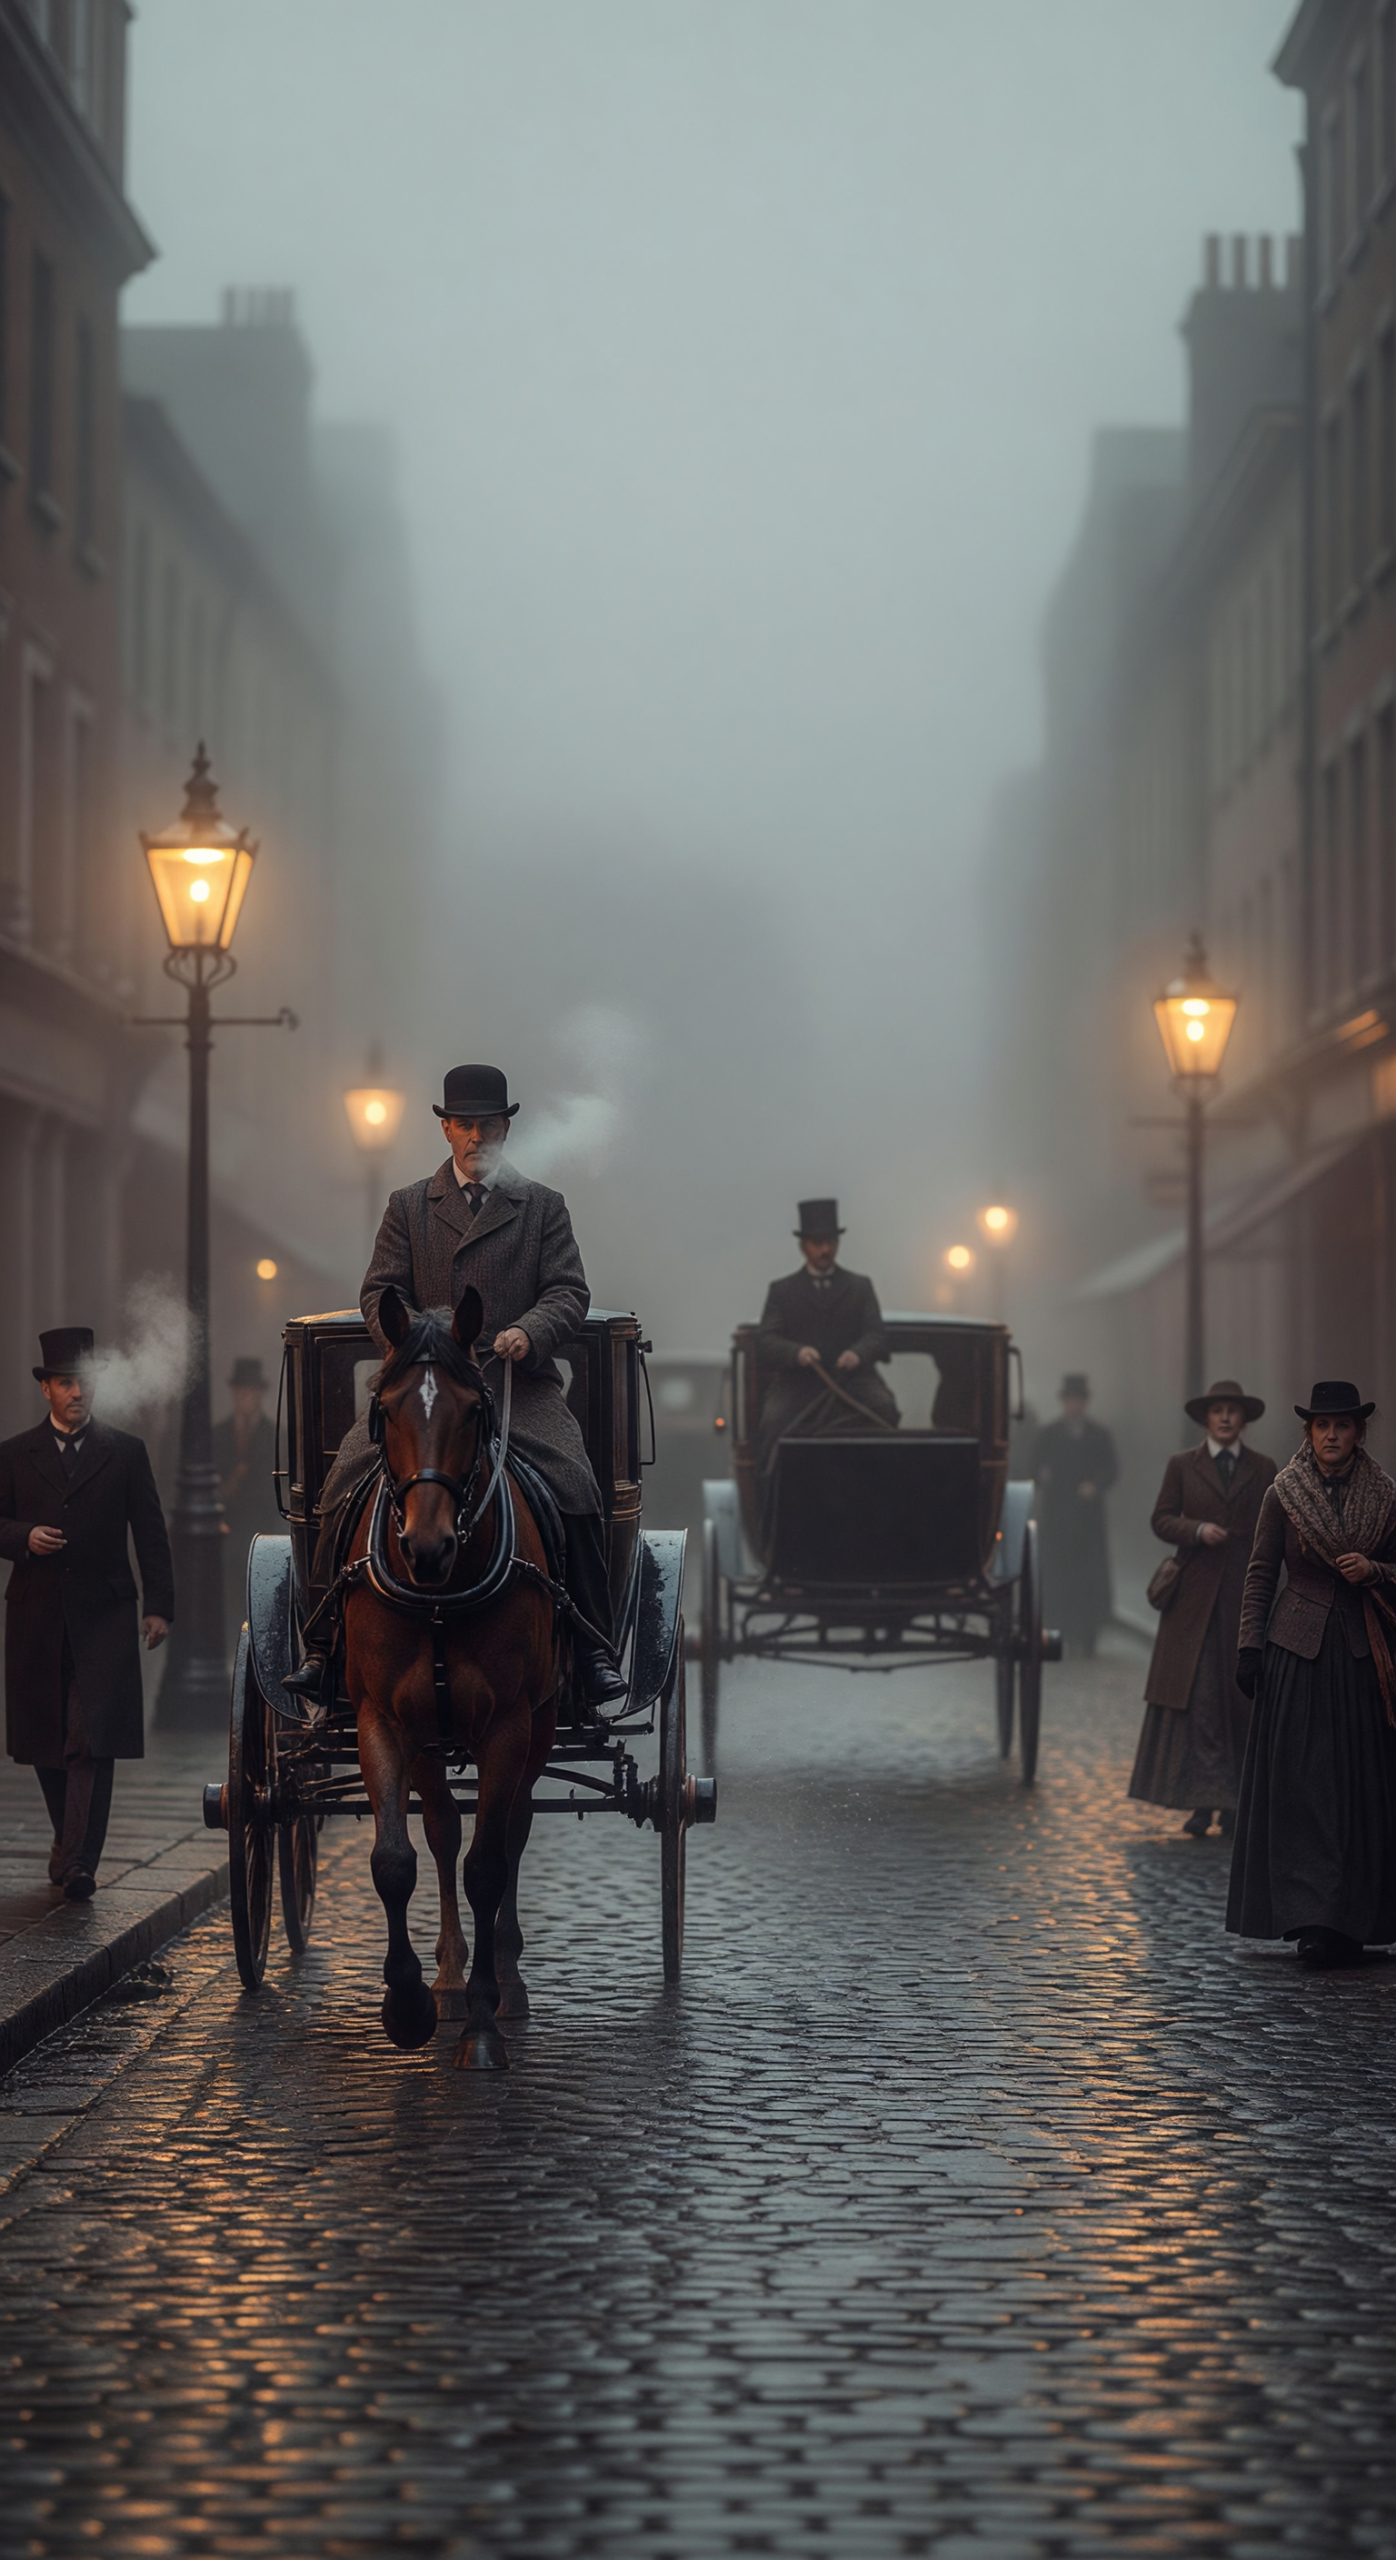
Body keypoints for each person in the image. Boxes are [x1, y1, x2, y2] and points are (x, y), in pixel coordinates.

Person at [286, 1063, 624, 1711]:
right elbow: (380, 1291)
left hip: (514, 1388)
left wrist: (529, 1331)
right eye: (464, 1124)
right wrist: (423, 1344)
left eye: (489, 1125)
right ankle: (324, 1644)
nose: (477, 1136)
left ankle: (592, 1646)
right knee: (338, 1487)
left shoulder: (543, 1207)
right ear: (445, 1129)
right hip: (424, 1391)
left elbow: (568, 1291)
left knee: (578, 1485)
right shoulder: (408, 1206)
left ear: (505, 1129)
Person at [0, 1327, 174, 1900]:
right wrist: (25, 1536)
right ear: (46, 1389)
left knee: (88, 1740)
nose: (78, 1393)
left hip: (105, 1617)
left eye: (86, 1383)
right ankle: (66, 1843)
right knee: (46, 1743)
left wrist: (160, 1608)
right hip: (37, 1619)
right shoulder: (13, 1454)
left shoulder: (124, 1451)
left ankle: (77, 1861)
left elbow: (150, 1531)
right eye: (66, 1383)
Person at [1228, 1379, 1396, 1969]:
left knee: (1357, 1791)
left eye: (1342, 1426)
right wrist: (1250, 1649)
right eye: (1322, 1426)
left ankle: (1352, 1920)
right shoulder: (1284, 1493)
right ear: (1309, 1433)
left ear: (1358, 1433)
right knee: (1305, 1790)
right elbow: (1259, 1574)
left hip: (1359, 1660)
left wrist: (1374, 1570)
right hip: (1295, 1656)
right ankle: (1312, 1922)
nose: (1332, 1435)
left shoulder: (1385, 1495)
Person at [1129, 1379, 1276, 1840]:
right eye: (1218, 1411)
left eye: (1234, 1410)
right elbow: (1160, 1518)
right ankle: (1201, 1803)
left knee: (1240, 1700)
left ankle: (1233, 1803)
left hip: (1243, 1598)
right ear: (1206, 1420)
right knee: (1200, 1700)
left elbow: (1275, 1532)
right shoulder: (1181, 1466)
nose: (1226, 1418)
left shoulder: (1265, 1468)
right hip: (1191, 1603)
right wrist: (1195, 1530)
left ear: (1244, 1420)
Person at [753, 1199, 899, 1481]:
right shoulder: (782, 1291)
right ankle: (767, 1507)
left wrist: (857, 1353)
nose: (825, 1249)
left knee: (887, 1409)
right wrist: (797, 1353)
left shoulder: (860, 1286)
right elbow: (766, 1341)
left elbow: (877, 1335)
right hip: (798, 1384)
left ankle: (891, 1489)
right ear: (802, 1246)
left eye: (830, 1241)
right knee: (772, 1423)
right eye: (817, 1242)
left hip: (855, 1381)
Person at [1034, 1374, 1117, 1657]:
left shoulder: (1099, 1435)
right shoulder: (1048, 1434)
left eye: (1079, 1401)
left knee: (1088, 1579)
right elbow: (1033, 1468)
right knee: (1057, 1580)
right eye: (1070, 1400)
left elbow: (1112, 1469)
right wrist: (1042, 1475)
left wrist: (1096, 1485)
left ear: (1085, 1403)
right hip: (1057, 1520)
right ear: (1063, 1402)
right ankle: (1056, 1635)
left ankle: (1087, 1637)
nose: (1074, 1406)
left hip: (1088, 1522)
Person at [212, 1355, 279, 1636]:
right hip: (226, 1534)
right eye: (241, 1392)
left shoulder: (276, 1436)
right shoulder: (218, 1436)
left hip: (263, 1534)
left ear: (261, 1394)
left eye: (251, 1392)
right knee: (227, 1598)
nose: (246, 1398)